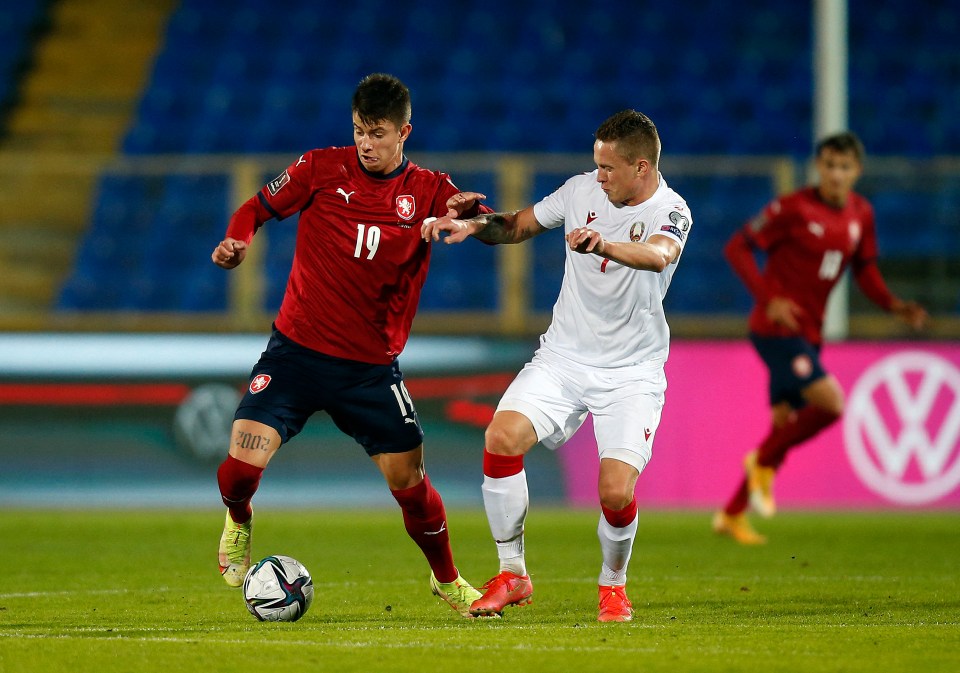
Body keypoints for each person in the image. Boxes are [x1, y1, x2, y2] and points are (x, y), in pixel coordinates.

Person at [211, 73, 493, 618]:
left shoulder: (432, 190)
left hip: (369, 370)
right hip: (294, 352)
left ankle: (448, 579)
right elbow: (254, 209)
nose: (366, 143)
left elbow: (474, 216)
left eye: (379, 133)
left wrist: (468, 221)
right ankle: (238, 520)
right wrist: (237, 241)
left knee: (410, 484)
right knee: (241, 465)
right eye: (360, 130)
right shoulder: (319, 167)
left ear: (404, 132)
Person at [422, 110, 692, 622]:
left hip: (631, 371)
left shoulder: (672, 209)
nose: (599, 177)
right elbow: (516, 226)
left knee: (615, 491)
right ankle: (513, 574)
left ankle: (613, 585)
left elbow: (659, 256)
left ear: (641, 166)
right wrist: (471, 224)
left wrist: (605, 244)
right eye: (596, 166)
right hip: (564, 357)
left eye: (609, 168)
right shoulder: (580, 191)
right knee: (501, 437)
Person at [712, 131, 928, 545]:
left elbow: (864, 269)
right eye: (829, 165)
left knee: (783, 426)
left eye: (844, 167)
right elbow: (737, 247)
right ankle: (760, 464)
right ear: (818, 167)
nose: (835, 174)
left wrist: (894, 305)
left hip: (810, 332)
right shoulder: (792, 209)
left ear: (857, 172)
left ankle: (732, 514)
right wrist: (769, 298)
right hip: (776, 329)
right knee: (831, 403)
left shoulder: (861, 214)